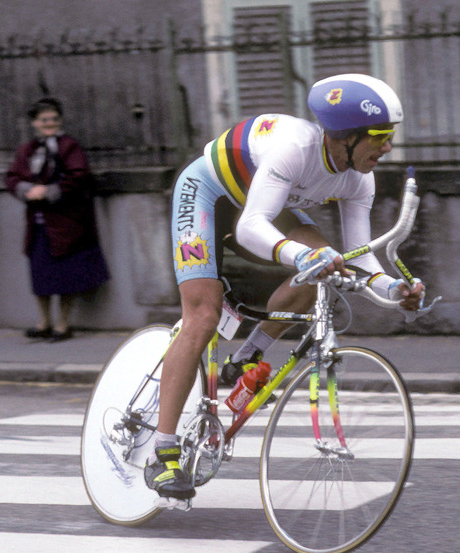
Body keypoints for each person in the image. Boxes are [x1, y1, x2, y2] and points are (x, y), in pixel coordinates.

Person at [144, 73, 426, 506]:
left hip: (267, 207)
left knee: (329, 265)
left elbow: (359, 257)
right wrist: (301, 256)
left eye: (389, 136)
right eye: (379, 136)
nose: (387, 146)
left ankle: (247, 355)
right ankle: (163, 450)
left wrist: (395, 290)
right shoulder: (295, 148)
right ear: (345, 136)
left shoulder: (358, 178)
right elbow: (250, 227)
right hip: (210, 197)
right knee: (202, 317)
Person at [5, 97, 110, 342]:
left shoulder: (69, 146)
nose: (49, 123)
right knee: (41, 275)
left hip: (67, 223)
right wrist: (25, 189)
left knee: (65, 276)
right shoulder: (28, 150)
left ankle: (63, 324)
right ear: (34, 123)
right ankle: (44, 321)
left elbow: (79, 175)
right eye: (44, 120)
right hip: (39, 223)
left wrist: (49, 191)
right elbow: (12, 176)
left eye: (54, 119)